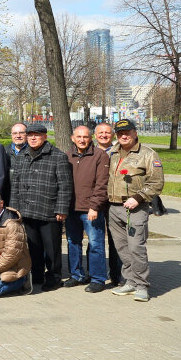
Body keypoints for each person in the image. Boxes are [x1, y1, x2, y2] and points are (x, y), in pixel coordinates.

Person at [10, 122, 73, 291]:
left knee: (51, 247)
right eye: (29, 135)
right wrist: (14, 209)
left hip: (49, 210)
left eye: (36, 135)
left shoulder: (58, 156)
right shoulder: (22, 156)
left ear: (44, 137)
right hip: (27, 211)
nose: (32, 138)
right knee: (33, 247)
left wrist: (61, 209)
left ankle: (54, 276)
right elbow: (15, 184)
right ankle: (37, 274)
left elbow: (65, 185)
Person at [108, 119, 164, 302]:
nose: (123, 136)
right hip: (114, 208)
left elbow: (156, 183)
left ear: (135, 132)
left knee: (136, 248)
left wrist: (138, 198)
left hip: (136, 208)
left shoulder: (148, 154)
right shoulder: (113, 153)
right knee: (122, 248)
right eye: (120, 133)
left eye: (127, 132)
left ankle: (142, 286)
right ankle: (130, 281)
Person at [64, 125, 110, 292]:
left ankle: (98, 278)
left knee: (96, 243)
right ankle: (76, 275)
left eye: (85, 137)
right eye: (79, 137)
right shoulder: (67, 156)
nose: (82, 140)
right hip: (71, 209)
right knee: (73, 242)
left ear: (91, 138)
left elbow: (101, 184)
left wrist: (95, 207)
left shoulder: (100, 155)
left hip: (91, 210)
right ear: (73, 138)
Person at [94, 121, 124, 285]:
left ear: (112, 135)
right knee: (95, 240)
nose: (104, 135)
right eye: (100, 133)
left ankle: (116, 274)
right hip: (95, 202)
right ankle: (95, 273)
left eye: (107, 133)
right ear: (95, 135)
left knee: (116, 240)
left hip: (114, 201)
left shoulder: (119, 152)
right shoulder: (90, 151)